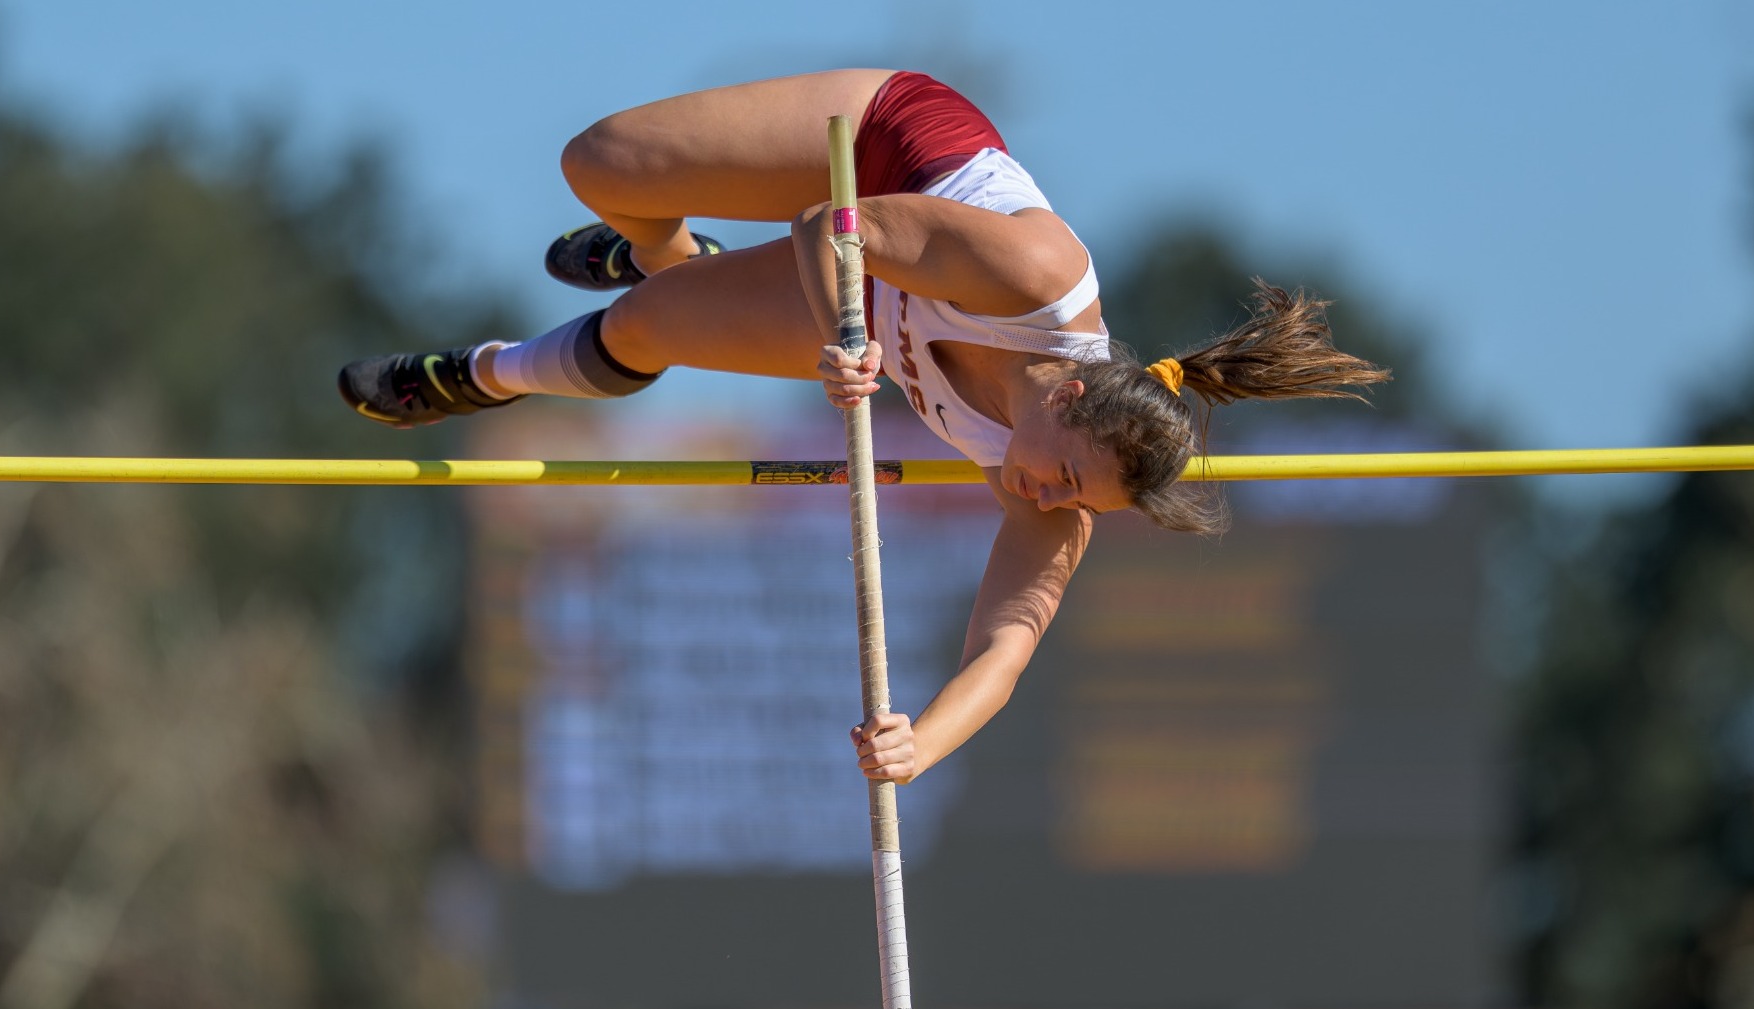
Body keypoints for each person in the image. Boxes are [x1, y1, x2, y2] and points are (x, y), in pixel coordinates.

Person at [337, 69, 1390, 786]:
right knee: (600, 162)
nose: (1052, 503)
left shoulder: (1054, 498)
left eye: (1080, 506)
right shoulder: (1035, 275)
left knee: (644, 332)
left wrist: (918, 744)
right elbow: (831, 227)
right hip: (881, 163)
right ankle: (660, 244)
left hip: (875, 307)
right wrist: (844, 328)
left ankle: (485, 374)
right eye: (1067, 480)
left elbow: (1002, 654)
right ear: (1068, 396)